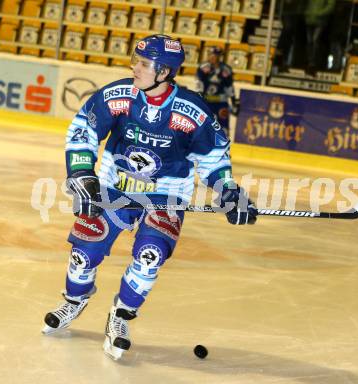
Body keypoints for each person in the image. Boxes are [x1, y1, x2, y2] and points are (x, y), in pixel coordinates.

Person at [41, 34, 258, 361]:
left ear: (164, 71)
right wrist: (83, 173)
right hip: (115, 189)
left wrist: (228, 190)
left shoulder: (192, 111)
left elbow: (213, 158)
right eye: (136, 60)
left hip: (165, 196)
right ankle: (75, 300)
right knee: (84, 254)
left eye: (144, 63)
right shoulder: (119, 96)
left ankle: (121, 315)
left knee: (150, 255)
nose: (134, 67)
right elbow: (84, 128)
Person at [195, 46, 239, 137]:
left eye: (214, 55)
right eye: (210, 54)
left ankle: (224, 148)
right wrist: (199, 100)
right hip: (207, 102)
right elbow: (199, 85)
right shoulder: (203, 68)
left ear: (219, 56)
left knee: (223, 127)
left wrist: (234, 102)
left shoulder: (226, 69)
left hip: (221, 103)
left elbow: (229, 87)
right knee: (204, 126)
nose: (212, 57)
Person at [304, 0, 336, 76]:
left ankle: (313, 63)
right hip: (310, 18)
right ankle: (310, 62)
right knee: (310, 42)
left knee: (315, 40)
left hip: (319, 20)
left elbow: (330, 5)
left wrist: (320, 13)